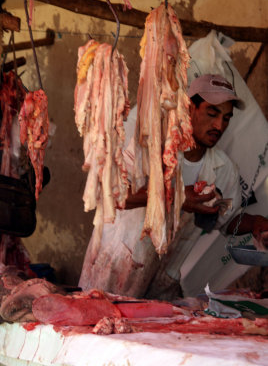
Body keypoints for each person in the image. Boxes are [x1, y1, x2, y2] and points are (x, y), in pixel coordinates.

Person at [79, 74, 268, 299]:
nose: (219, 125)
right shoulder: (149, 145)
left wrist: (257, 223)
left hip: (162, 284)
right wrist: (174, 197)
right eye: (212, 113)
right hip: (115, 269)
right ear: (189, 109)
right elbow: (112, 194)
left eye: (226, 118)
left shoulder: (223, 169)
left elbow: (226, 220)